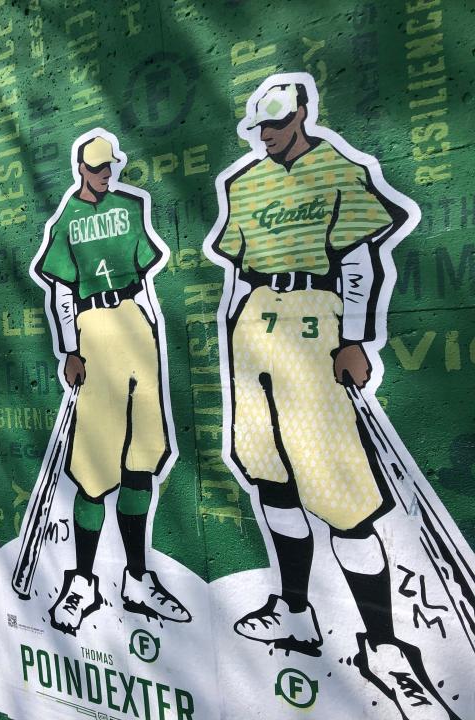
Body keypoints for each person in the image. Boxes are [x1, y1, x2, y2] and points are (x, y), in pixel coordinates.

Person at [206, 74, 458, 720]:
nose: (268, 137)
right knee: (272, 476)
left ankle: (384, 646)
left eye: (278, 125)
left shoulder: (337, 169)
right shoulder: (244, 183)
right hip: (254, 322)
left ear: (302, 117)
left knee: (341, 492)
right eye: (261, 128)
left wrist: (353, 338)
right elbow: (238, 271)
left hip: (315, 313)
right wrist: (232, 336)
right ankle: (296, 613)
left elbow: (357, 260)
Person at [32, 131, 189, 635]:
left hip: (134, 322)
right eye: (98, 168)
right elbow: (60, 289)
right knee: (95, 469)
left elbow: (143, 273)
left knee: (142, 458)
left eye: (109, 166)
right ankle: (82, 581)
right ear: (82, 169)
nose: (106, 174)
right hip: (92, 326)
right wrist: (71, 349)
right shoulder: (69, 220)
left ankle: (138, 578)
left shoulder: (127, 206)